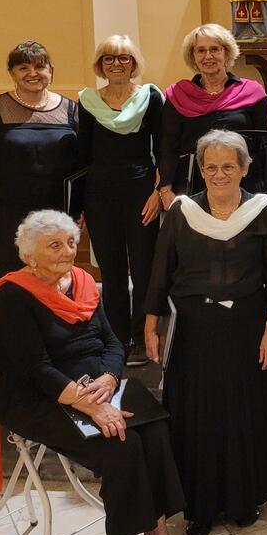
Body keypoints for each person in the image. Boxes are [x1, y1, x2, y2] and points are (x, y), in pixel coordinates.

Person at [0, 210, 205, 535]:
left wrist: (111, 379)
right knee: (122, 446)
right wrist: (89, 404)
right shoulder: (13, 295)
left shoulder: (81, 281)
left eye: (70, 242)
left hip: (96, 386)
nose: (67, 251)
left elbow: (112, 341)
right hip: (39, 398)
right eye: (54, 245)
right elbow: (35, 368)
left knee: (157, 429)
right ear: (29, 255)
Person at [144, 130, 267, 535]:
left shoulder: (263, 210)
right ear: (200, 171)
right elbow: (159, 272)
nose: (219, 174)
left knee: (243, 412)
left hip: (246, 329)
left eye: (228, 166)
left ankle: (245, 500)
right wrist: (151, 324)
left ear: (244, 168)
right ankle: (198, 507)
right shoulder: (181, 211)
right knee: (196, 416)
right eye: (211, 167)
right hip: (193, 331)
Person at [77, 36, 163, 357]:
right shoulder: (87, 101)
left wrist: (158, 192)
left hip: (141, 191)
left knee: (143, 267)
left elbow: (163, 148)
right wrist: (78, 206)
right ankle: (117, 338)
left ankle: (143, 336)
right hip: (99, 195)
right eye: (109, 59)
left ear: (133, 63)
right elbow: (82, 157)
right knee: (111, 271)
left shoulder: (150, 98)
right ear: (100, 65)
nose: (116, 64)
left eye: (123, 58)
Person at [0, 41, 80, 277]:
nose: (32, 74)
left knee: (56, 275)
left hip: (57, 211)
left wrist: (80, 210)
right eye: (23, 68)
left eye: (40, 67)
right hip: (9, 212)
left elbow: (83, 166)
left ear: (51, 70)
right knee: (15, 278)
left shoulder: (71, 110)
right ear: (12, 73)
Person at [158, 24, 267, 201]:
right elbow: (167, 146)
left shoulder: (251, 92)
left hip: (244, 185)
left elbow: (264, 146)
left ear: (226, 53)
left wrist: (263, 189)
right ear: (193, 56)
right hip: (192, 186)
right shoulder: (178, 95)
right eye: (201, 50)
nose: (208, 56)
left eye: (215, 49)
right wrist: (165, 188)